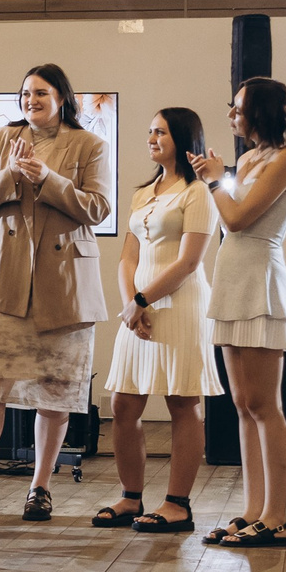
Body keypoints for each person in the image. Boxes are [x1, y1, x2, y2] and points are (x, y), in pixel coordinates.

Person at [0, 64, 112, 525]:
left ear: (62, 96)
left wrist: (48, 179)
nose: (30, 100)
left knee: (56, 391)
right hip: (7, 281)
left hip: (66, 282)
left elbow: (98, 208)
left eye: (40, 92)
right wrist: (10, 175)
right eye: (24, 93)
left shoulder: (90, 144)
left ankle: (40, 488)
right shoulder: (2, 138)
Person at [190, 78, 286, 549]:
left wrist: (216, 179)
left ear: (259, 111)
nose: (231, 115)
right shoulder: (252, 159)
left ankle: (276, 516)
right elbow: (227, 215)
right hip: (234, 278)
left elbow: (238, 219)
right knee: (241, 405)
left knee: (265, 405)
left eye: (237, 108)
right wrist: (217, 179)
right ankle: (252, 509)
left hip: (260, 280)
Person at [94, 108, 217, 535]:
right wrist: (131, 303)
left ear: (183, 138)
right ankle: (131, 497)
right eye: (148, 130)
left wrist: (143, 300)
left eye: (159, 131)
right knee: (123, 405)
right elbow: (127, 257)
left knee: (182, 402)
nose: (150, 137)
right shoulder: (143, 192)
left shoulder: (197, 192)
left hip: (180, 306)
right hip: (139, 311)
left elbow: (189, 262)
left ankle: (177, 504)